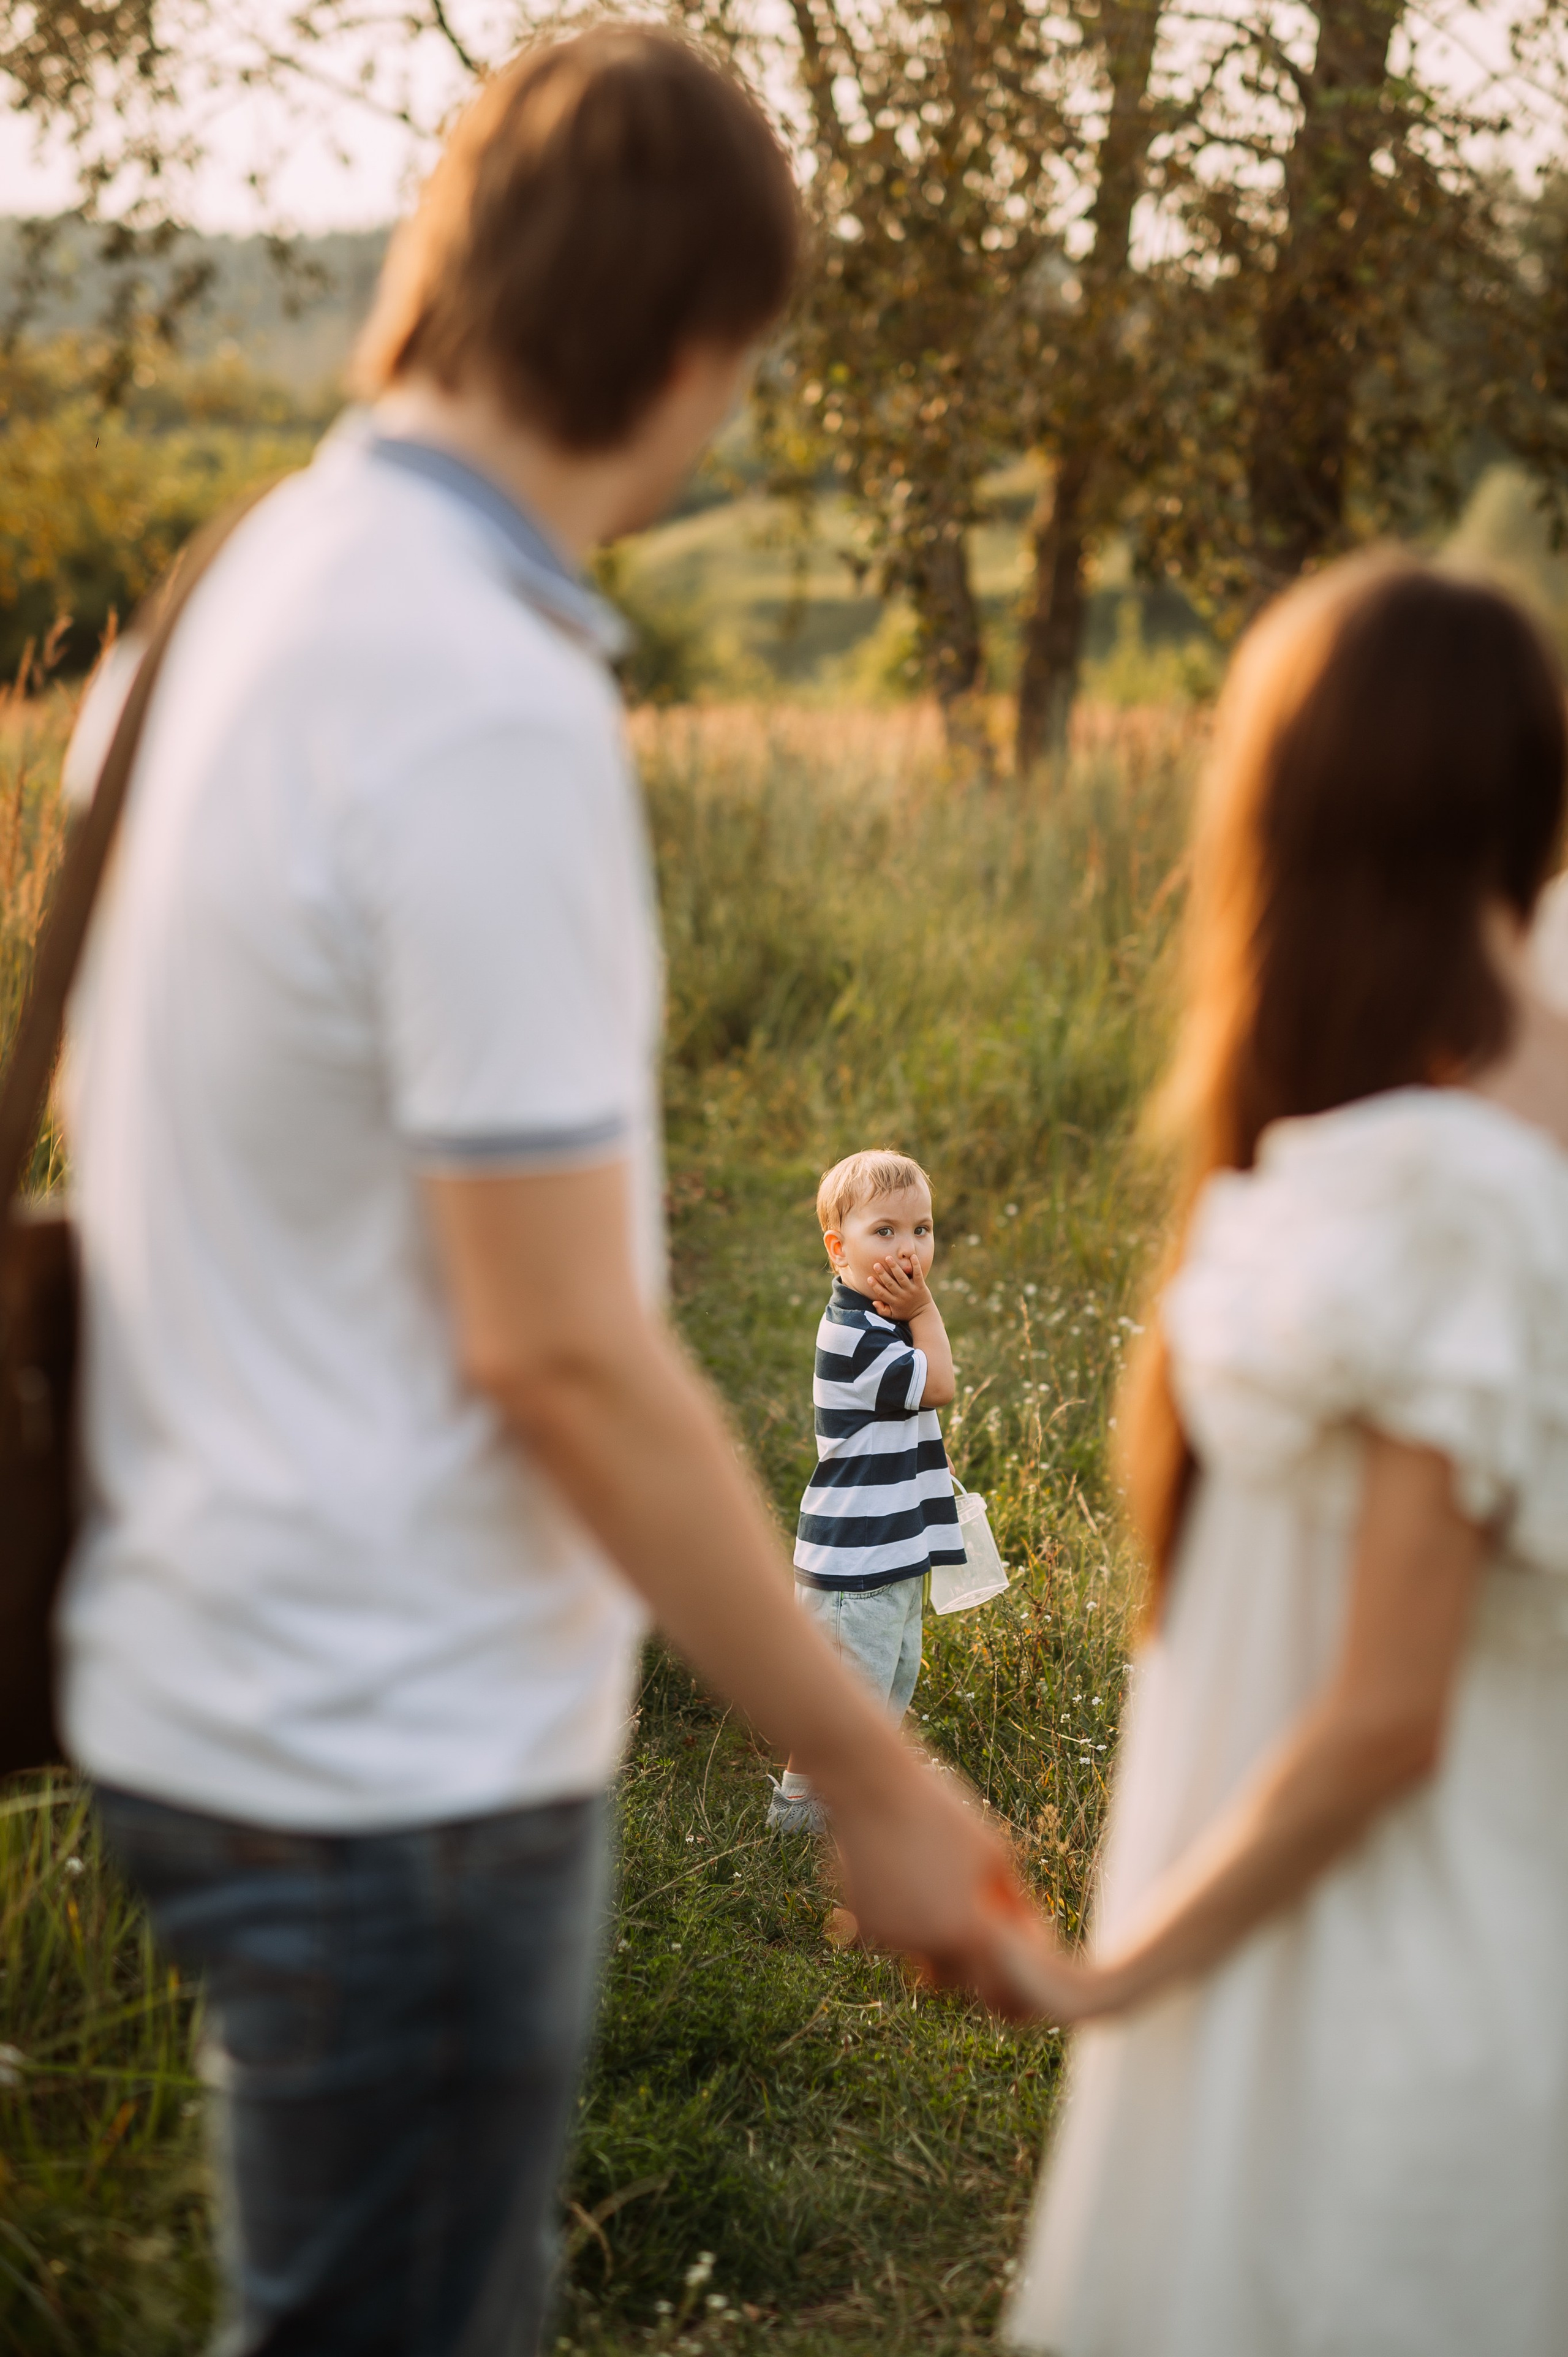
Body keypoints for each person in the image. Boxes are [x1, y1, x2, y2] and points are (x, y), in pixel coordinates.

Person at [53, 33, 1034, 2357]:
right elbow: (561, 1344)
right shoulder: (477, 696)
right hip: (395, 1750)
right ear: (688, 340)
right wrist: (870, 1765)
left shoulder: (234, 595)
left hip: (200, 1671)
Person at [1001, 551, 1568, 2357]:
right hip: (1359, 1941)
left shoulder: (1457, 1185)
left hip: (1382, 1988)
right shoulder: (1440, 1115)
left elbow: (1385, 1714)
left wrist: (1106, 1972)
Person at [769, 1149, 964, 1833]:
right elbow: (937, 1383)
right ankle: (800, 1810)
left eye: (922, 1229)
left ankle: (849, 1798)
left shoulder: (884, 1322)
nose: (909, 1248)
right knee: (847, 1694)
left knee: (887, 1681)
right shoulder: (856, 1335)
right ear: (837, 1248)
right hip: (856, 1560)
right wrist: (928, 1309)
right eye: (884, 1231)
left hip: (891, 1550)